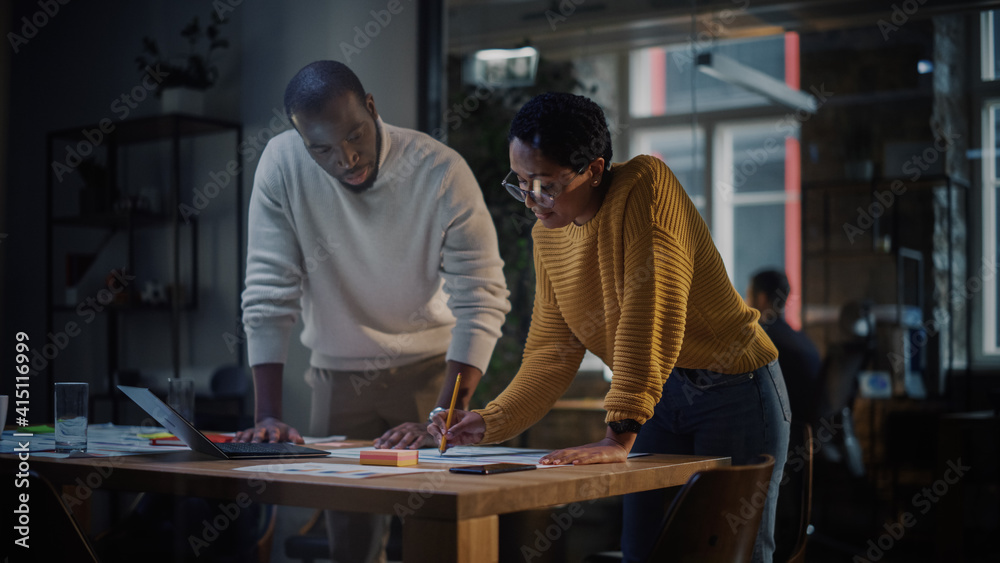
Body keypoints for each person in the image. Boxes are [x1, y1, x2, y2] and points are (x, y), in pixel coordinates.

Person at [429, 92, 790, 563]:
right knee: (644, 551)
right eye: (520, 183)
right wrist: (488, 421)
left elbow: (651, 310)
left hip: (734, 389)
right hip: (658, 398)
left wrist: (617, 437)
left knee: (724, 552)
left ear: (594, 170)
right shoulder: (549, 235)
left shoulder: (646, 185)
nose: (532, 201)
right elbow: (551, 352)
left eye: (546, 185)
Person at [236, 60, 509, 563]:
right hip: (337, 379)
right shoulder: (280, 165)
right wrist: (267, 417)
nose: (346, 158)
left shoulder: (440, 171)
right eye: (322, 149)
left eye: (355, 135)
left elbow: (482, 297)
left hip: (431, 375)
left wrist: (440, 419)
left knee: (440, 541)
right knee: (350, 550)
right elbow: (268, 290)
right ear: (301, 143)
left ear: (372, 109)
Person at [747, 269, 822, 428]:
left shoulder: (763, 339)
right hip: (810, 425)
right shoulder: (798, 337)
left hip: (790, 426)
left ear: (761, 299)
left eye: (748, 296)